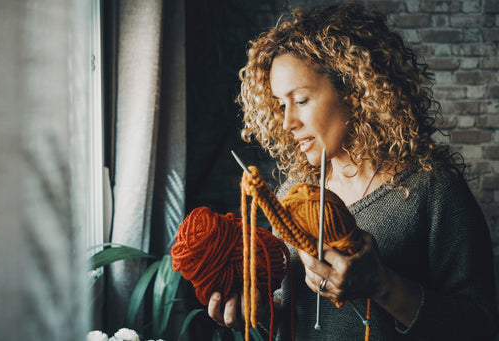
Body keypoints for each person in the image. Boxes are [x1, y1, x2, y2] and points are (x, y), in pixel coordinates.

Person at [207, 3, 498, 340]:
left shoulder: (433, 189)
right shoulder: (293, 192)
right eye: (280, 104)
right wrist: (253, 309)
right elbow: (290, 311)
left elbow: (480, 326)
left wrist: (383, 285)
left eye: (300, 100)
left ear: (355, 90)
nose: (287, 123)